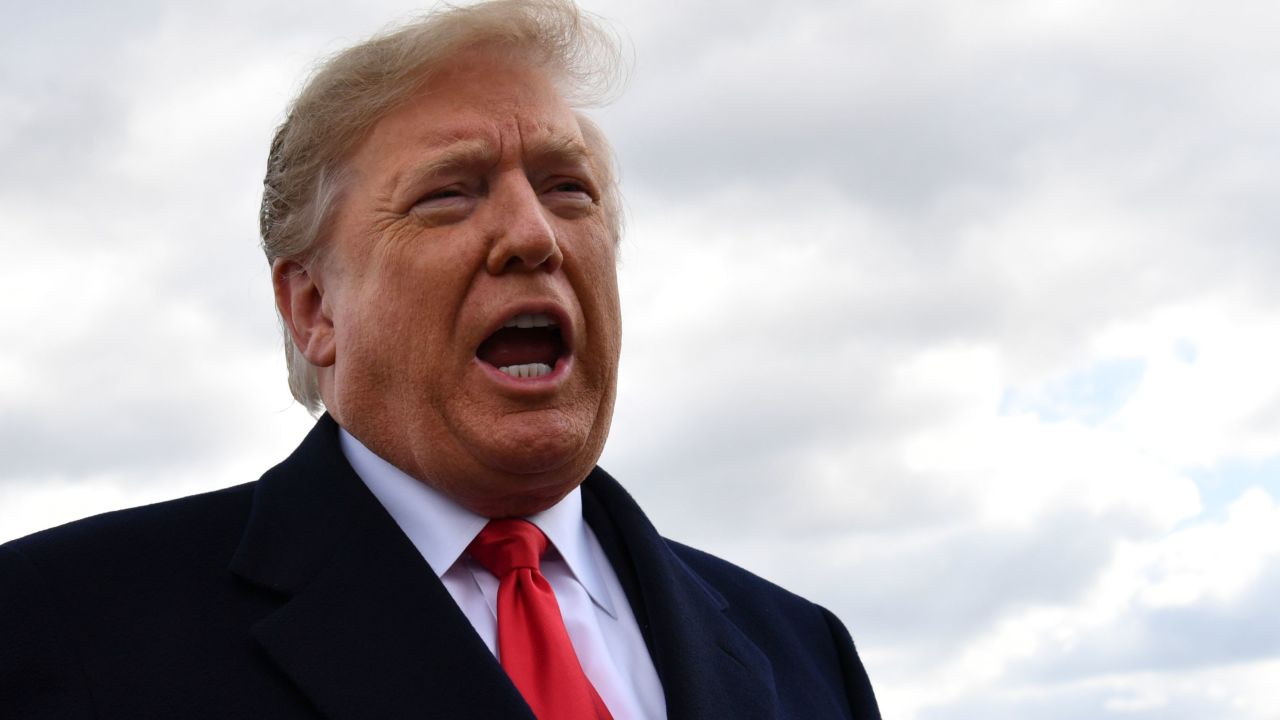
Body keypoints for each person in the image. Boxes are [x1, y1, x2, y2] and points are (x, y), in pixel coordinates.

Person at [0, 1, 880, 718]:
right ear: (313, 309)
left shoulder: (805, 656)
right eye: (448, 194)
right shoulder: (59, 626)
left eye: (566, 187)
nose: (532, 235)